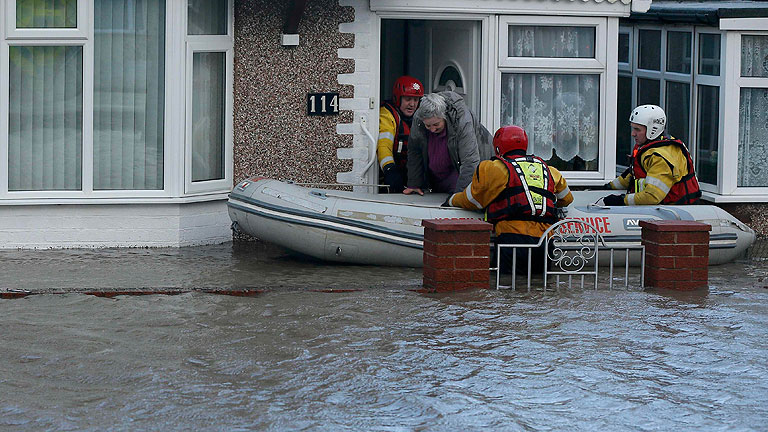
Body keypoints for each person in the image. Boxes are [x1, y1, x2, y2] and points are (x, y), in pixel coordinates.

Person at [443, 125, 573, 274]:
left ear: (498, 148)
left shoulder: (494, 168)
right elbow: (566, 198)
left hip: (512, 239)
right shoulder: (548, 169)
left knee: (506, 289)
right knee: (539, 289)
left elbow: (473, 200)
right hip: (545, 243)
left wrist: (451, 200)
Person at [603, 104, 701, 206]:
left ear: (652, 129)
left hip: (672, 213)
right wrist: (608, 187)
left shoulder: (660, 157)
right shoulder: (648, 148)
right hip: (655, 210)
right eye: (633, 128)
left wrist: (622, 200)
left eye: (637, 129)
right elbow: (632, 175)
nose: (633, 133)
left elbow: (652, 197)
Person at [403, 91, 492, 195]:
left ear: (444, 116)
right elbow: (414, 150)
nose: (432, 129)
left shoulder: (462, 119)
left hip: (473, 172)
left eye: (436, 124)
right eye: (428, 126)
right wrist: (414, 184)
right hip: (440, 181)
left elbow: (470, 161)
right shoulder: (419, 117)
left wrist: (460, 197)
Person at [377, 76, 424, 193]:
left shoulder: (422, 116)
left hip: (414, 177)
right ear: (398, 98)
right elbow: (384, 145)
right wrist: (389, 169)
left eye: (416, 100)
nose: (412, 104)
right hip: (391, 175)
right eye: (408, 99)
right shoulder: (387, 115)